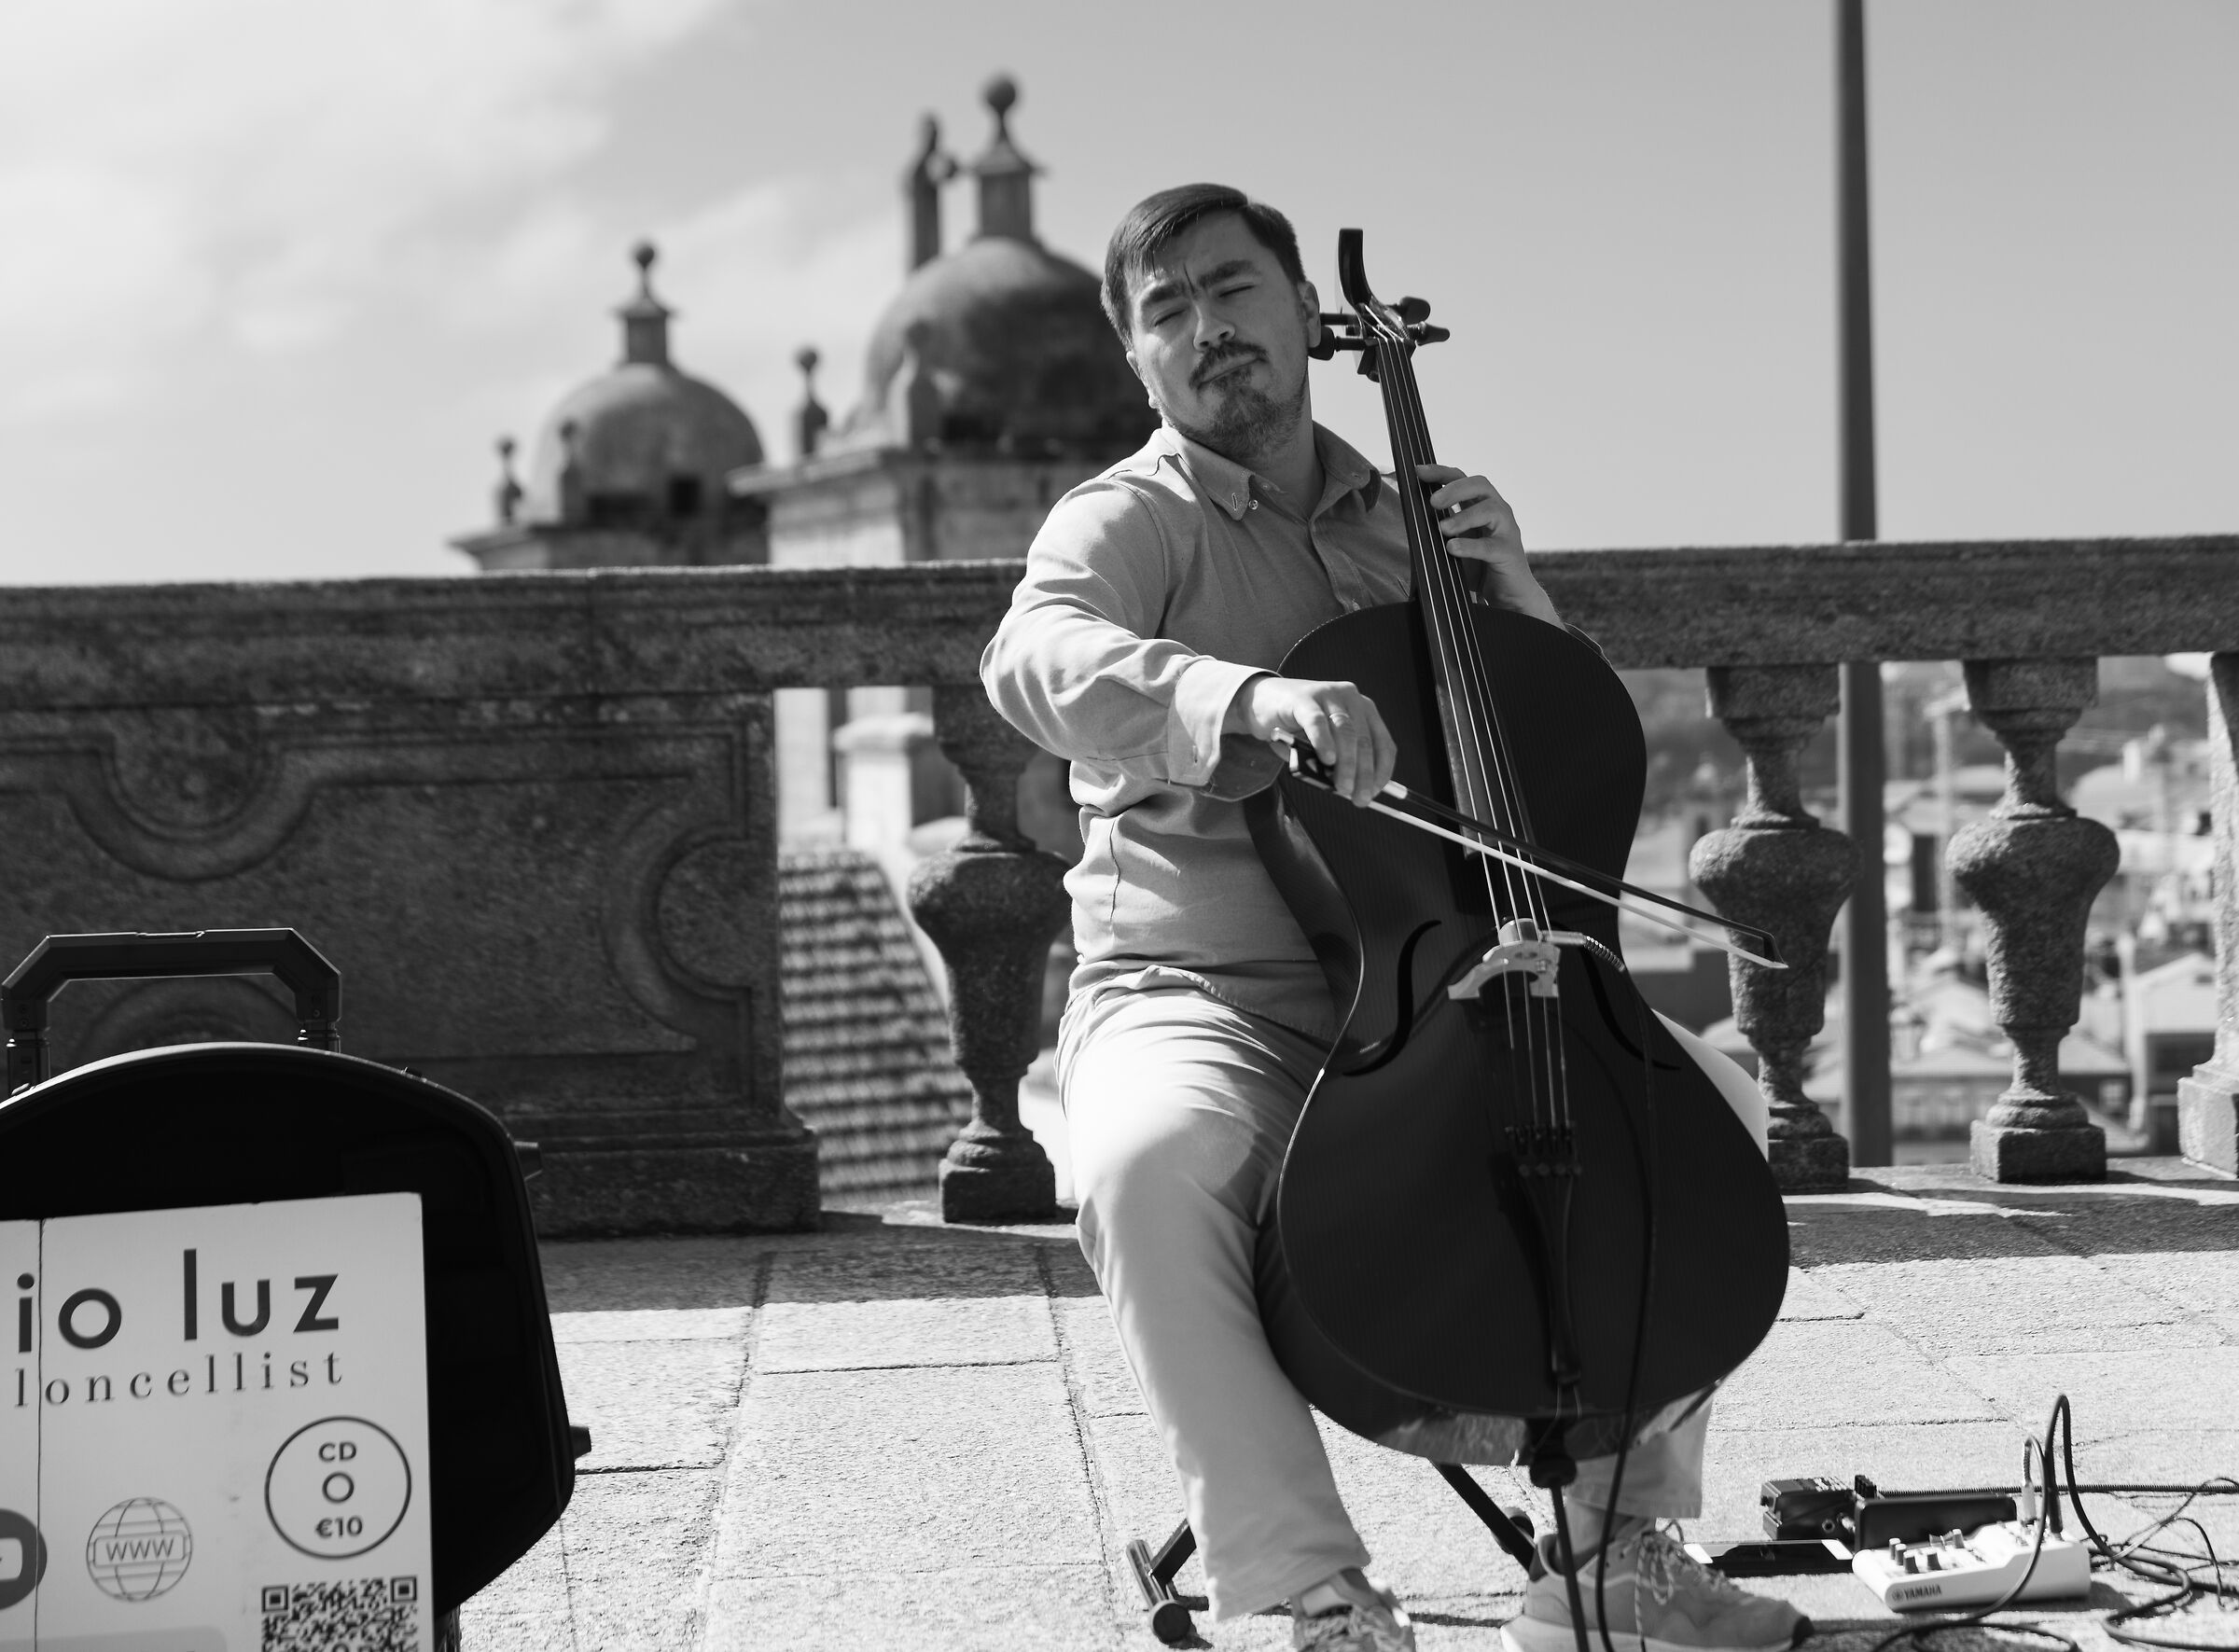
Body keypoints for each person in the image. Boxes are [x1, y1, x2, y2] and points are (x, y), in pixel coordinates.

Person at [980, 183, 1810, 1652]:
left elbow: (1549, 767)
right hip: (1202, 989)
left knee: (1712, 1113)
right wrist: (1240, 695)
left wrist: (1520, 601)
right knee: (1143, 1165)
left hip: (1444, 980)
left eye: (1232, 292)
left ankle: (1615, 1559)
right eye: (1165, 313)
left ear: (1306, 317)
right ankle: (1316, 1593)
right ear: (1138, 360)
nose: (1207, 330)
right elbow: (1032, 657)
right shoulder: (1129, 519)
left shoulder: (1418, 525)